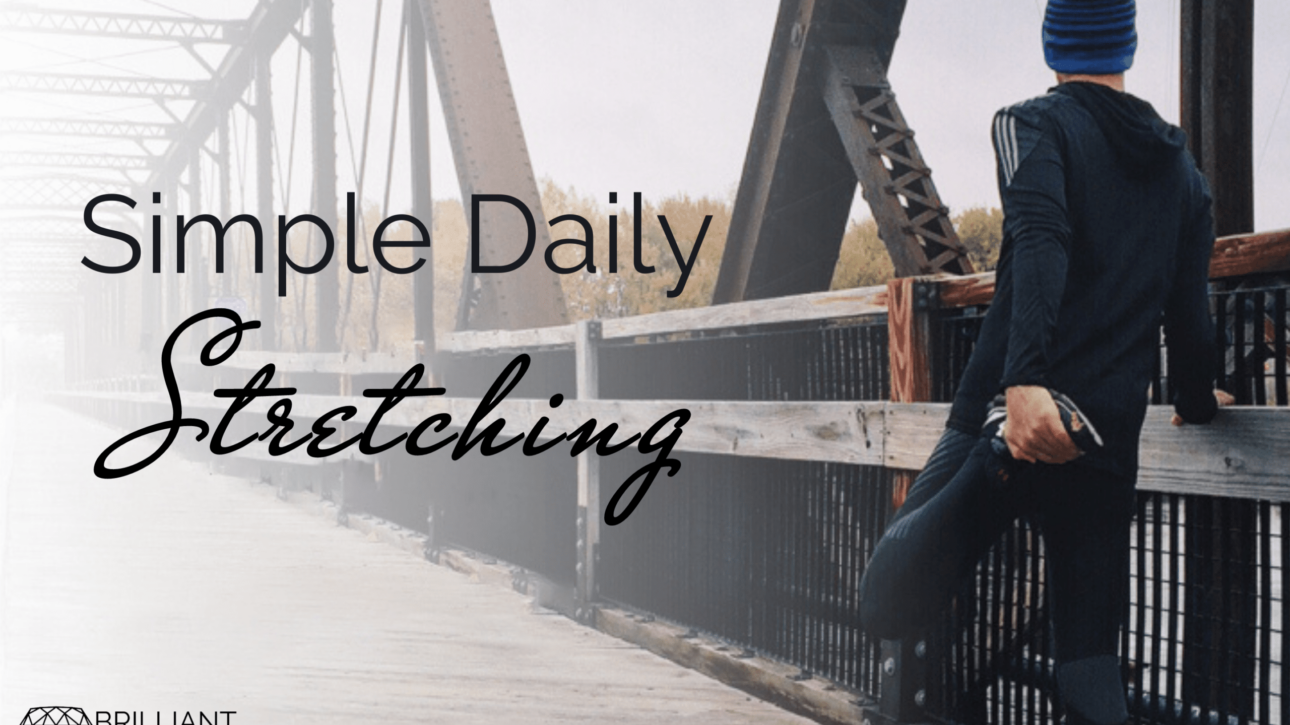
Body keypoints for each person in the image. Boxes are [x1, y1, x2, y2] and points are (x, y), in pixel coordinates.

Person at [857, 2, 1230, 723]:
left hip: (1006, 416)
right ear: (1127, 44)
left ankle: (998, 462)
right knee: (1089, 670)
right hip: (1100, 441)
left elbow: (1041, 236)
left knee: (885, 599)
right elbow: (1190, 317)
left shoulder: (1031, 123)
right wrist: (1199, 399)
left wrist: (1024, 384)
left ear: (1051, 42)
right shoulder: (1181, 173)